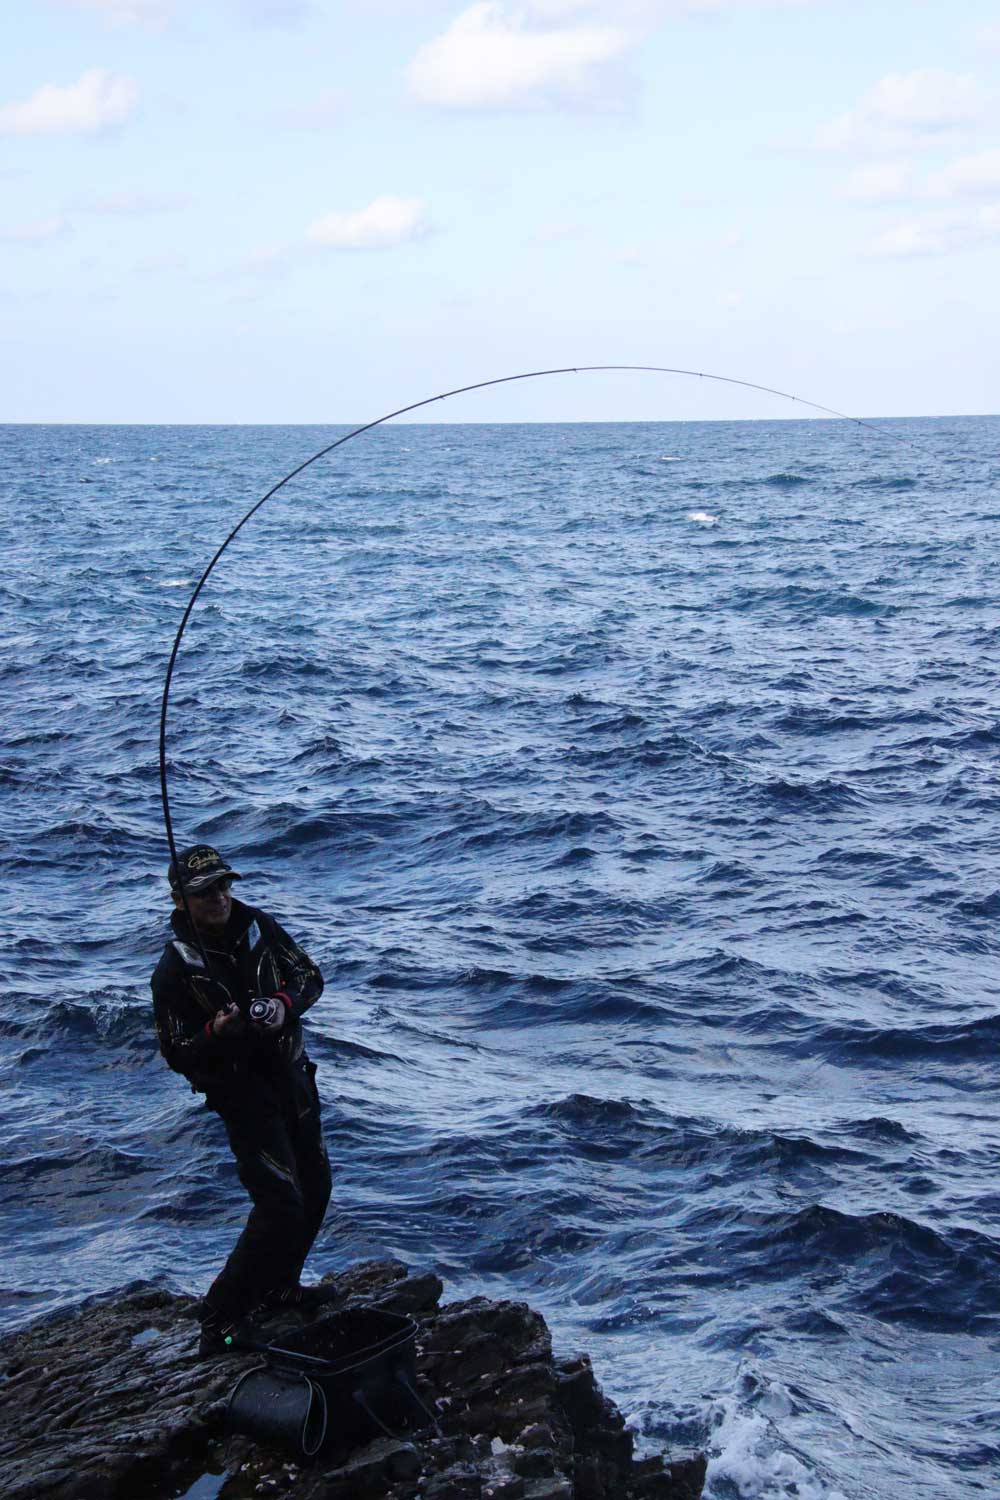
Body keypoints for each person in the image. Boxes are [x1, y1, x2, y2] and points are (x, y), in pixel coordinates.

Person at [151, 843, 334, 1355]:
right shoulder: (174, 968)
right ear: (181, 900)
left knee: (316, 1186)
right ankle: (220, 1317)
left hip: (293, 1081)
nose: (219, 898)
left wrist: (282, 1005)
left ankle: (281, 1289)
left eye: (224, 885)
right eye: (205, 892)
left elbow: (310, 977)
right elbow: (176, 1050)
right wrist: (218, 1029)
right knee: (279, 1204)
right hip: (243, 1097)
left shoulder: (260, 927)